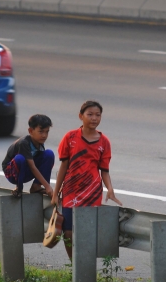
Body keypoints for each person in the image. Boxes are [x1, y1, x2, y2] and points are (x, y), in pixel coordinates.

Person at [51, 100, 122, 260]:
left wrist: (109, 189)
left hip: (92, 192)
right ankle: (75, 264)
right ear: (81, 116)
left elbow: (104, 170)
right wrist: (56, 193)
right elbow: (63, 166)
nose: (94, 118)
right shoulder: (70, 137)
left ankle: (85, 263)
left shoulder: (104, 142)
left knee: (87, 230)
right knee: (68, 232)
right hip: (70, 191)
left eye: (98, 115)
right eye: (90, 114)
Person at [2, 114, 54, 198]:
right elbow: (32, 166)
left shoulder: (39, 141)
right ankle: (18, 188)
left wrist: (46, 185)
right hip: (12, 173)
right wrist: (48, 186)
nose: (44, 135)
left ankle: (36, 186)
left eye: (46, 132)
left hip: (25, 170)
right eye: (41, 132)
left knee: (49, 154)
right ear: (30, 131)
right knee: (20, 159)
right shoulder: (24, 143)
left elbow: (40, 163)